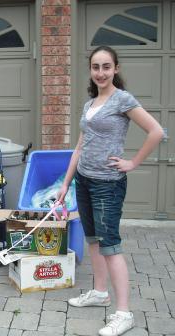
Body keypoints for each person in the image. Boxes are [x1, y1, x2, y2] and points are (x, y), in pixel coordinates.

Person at [56, 45, 164, 336]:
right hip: (85, 180)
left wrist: (133, 162)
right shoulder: (89, 104)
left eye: (106, 66)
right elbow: (80, 146)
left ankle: (124, 313)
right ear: (90, 70)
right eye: (95, 67)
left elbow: (157, 131)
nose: (100, 72)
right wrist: (66, 183)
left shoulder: (122, 100)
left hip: (107, 185)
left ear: (116, 68)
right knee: (92, 240)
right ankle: (100, 293)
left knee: (110, 246)